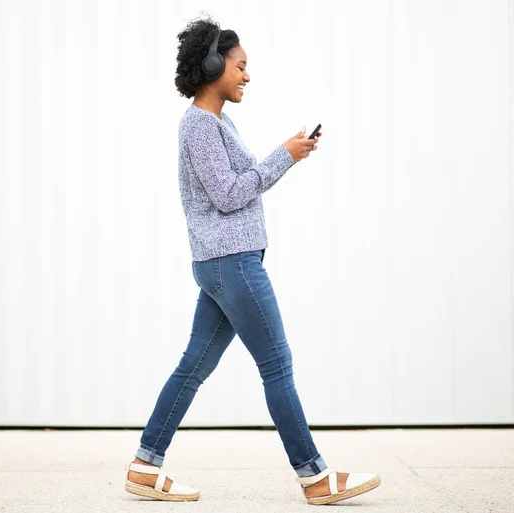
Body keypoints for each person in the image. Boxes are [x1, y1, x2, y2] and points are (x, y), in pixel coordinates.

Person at [124, 16, 381, 506]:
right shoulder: (200, 125)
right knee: (277, 365)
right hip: (232, 262)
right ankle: (315, 477)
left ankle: (144, 464)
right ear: (213, 65)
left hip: (225, 262)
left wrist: (287, 153)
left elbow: (238, 182)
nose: (247, 75)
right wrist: (285, 157)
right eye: (240, 66)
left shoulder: (217, 122)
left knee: (194, 365)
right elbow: (227, 195)